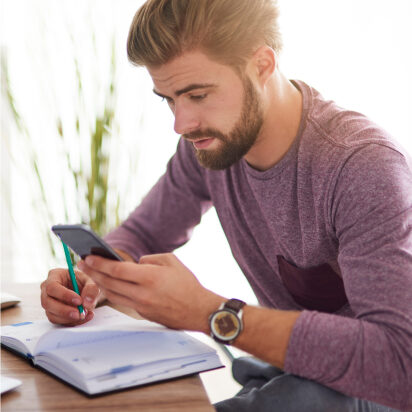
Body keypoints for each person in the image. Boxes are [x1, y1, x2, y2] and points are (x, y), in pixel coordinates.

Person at [40, 1, 412, 411]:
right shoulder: (214, 144)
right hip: (294, 371)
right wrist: (96, 278)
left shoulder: (360, 166)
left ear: (262, 65)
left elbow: (397, 360)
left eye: (197, 94)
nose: (181, 124)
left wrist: (208, 312)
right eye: (168, 99)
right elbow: (142, 235)